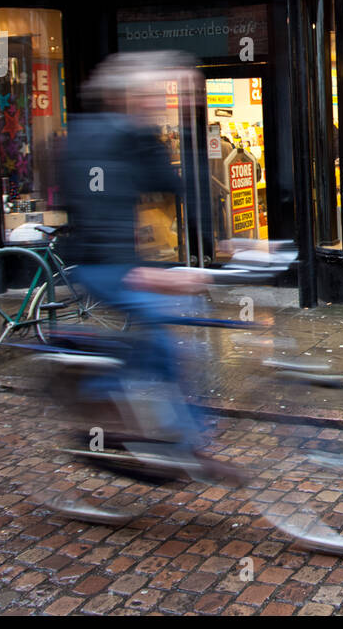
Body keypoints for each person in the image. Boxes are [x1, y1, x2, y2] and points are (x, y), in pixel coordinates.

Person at [58, 51, 238, 481]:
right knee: (163, 337)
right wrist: (134, 271)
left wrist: (226, 241)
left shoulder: (141, 135)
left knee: (186, 329)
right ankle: (183, 445)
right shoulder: (92, 138)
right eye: (152, 94)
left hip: (125, 260)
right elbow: (93, 208)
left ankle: (152, 416)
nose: (161, 102)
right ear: (126, 96)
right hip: (101, 263)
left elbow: (180, 187)